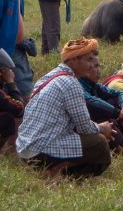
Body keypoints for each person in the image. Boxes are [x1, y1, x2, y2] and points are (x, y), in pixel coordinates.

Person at [17, 38, 117, 177]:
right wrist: (102, 128)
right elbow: (85, 128)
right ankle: (58, 170)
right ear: (74, 60)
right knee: (99, 143)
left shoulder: (49, 76)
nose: (92, 65)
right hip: (40, 150)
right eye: (88, 60)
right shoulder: (71, 83)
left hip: (24, 149)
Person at [79, 52, 123, 151]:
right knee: (100, 112)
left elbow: (120, 94)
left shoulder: (94, 85)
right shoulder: (77, 86)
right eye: (94, 67)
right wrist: (119, 113)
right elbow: (92, 102)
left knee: (116, 103)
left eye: (98, 67)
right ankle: (122, 149)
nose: (98, 71)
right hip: (83, 130)